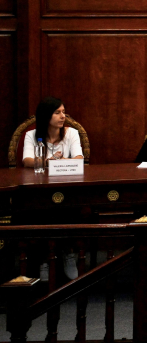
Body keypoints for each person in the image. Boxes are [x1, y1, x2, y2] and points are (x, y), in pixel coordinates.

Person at [22, 97, 84, 280]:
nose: (63, 116)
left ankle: (67, 253)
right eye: (57, 112)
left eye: (64, 112)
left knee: (69, 209)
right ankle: (44, 259)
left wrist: (54, 162)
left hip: (67, 186)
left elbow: (79, 159)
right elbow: (27, 161)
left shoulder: (71, 133)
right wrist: (53, 161)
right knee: (41, 212)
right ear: (45, 115)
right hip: (39, 188)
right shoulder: (31, 135)